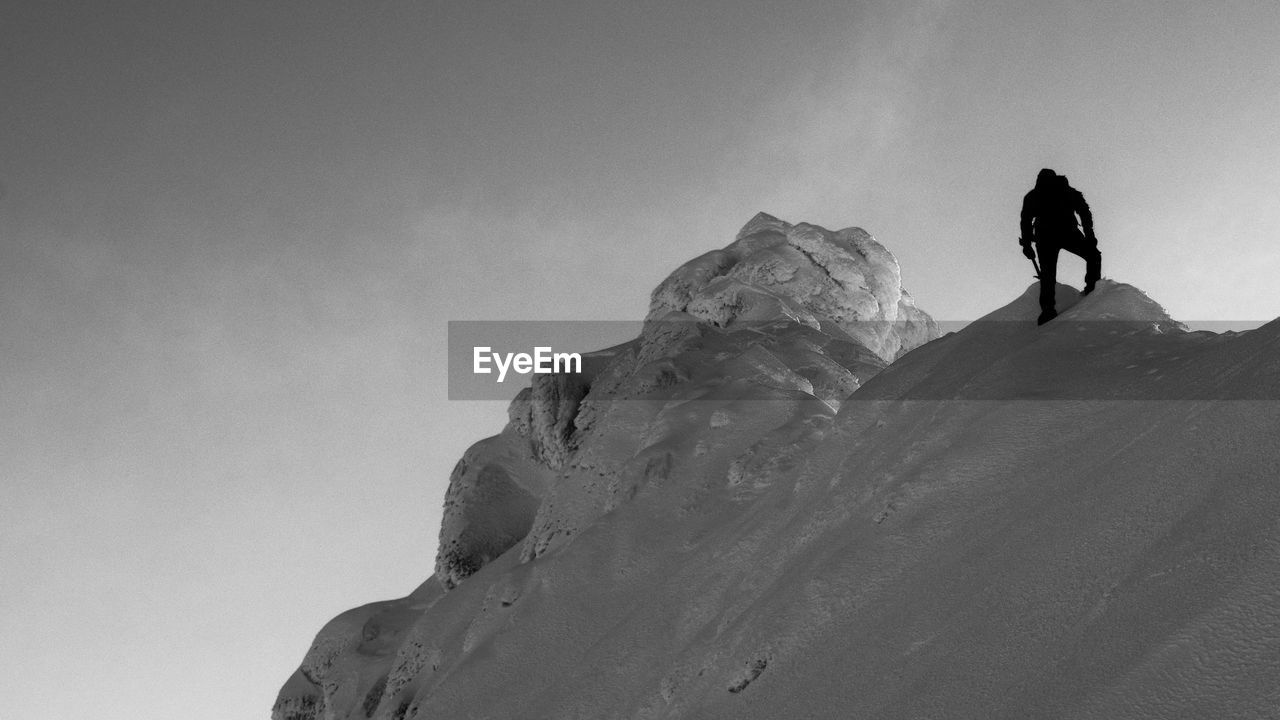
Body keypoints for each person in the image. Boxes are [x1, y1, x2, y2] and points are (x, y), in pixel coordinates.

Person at [1019, 168, 1102, 324]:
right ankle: (1092, 289)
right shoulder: (1065, 191)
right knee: (1093, 255)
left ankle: (1048, 310)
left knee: (1048, 275)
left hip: (1049, 235)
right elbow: (1084, 212)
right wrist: (1090, 235)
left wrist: (1027, 244)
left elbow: (1026, 221)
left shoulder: (1035, 195)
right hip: (1062, 233)